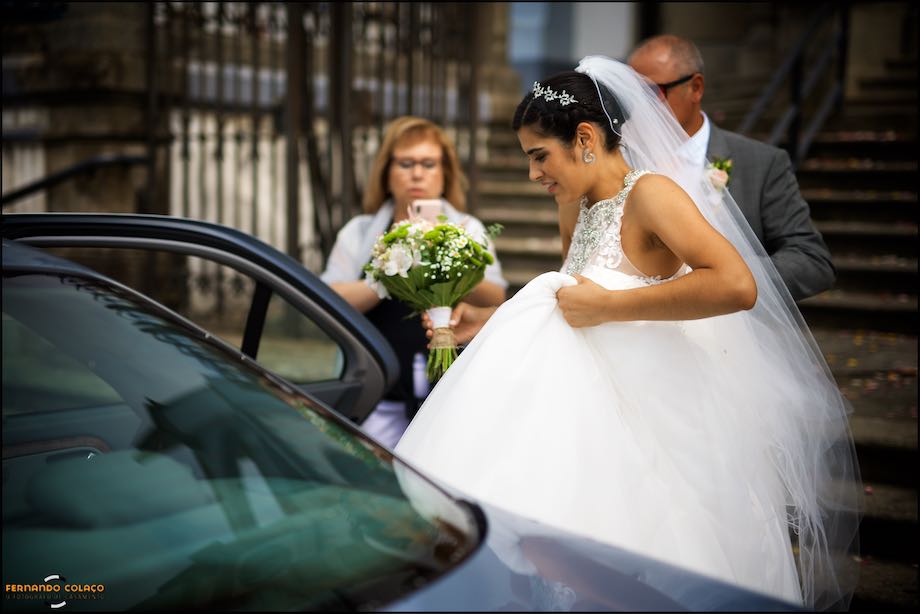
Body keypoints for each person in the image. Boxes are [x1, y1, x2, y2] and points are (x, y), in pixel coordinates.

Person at [398, 57, 860, 610]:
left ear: (585, 138)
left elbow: (736, 285)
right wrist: (485, 323)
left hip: (653, 407)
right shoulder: (579, 206)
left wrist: (612, 306)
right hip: (589, 400)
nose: (534, 174)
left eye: (539, 156)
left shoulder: (652, 195)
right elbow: (569, 293)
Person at [321, 116, 507, 448]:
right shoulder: (360, 231)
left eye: (428, 164)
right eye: (406, 163)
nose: (417, 174)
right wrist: (388, 268)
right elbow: (328, 299)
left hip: (450, 395)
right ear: (387, 172)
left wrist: (449, 256)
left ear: (445, 172)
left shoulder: (468, 228)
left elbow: (496, 296)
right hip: (377, 396)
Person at [623, 34, 835, 301]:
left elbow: (811, 260)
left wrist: (725, 279)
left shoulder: (761, 163)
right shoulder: (620, 160)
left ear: (696, 87)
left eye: (654, 93)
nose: (642, 108)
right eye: (633, 96)